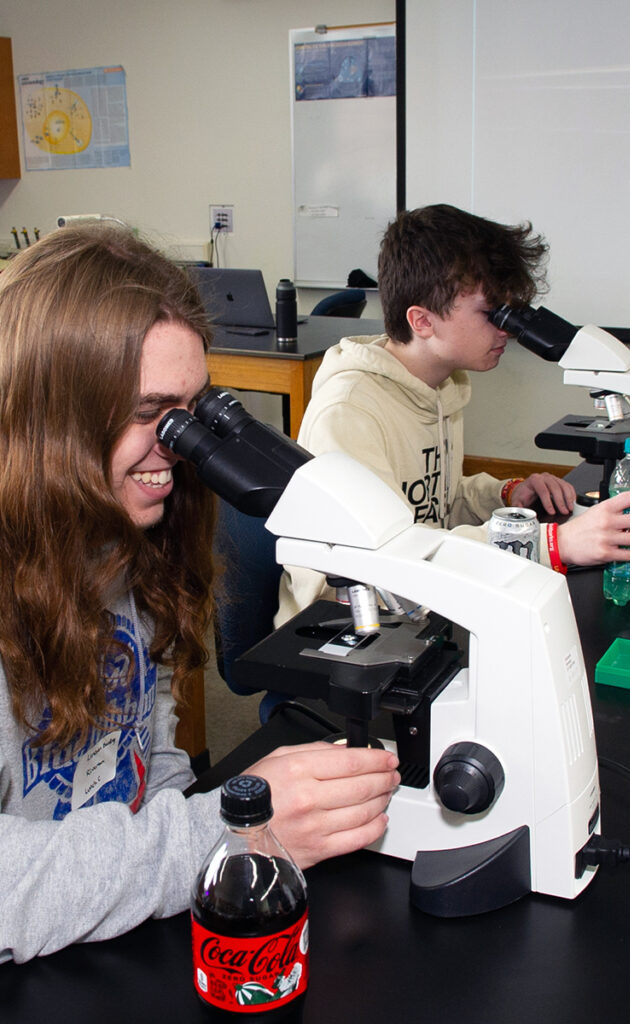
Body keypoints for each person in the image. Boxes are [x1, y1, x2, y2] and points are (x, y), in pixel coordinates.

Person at [0, 225, 400, 964]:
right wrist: (227, 831)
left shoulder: (127, 542)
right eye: (149, 413)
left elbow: (143, 757)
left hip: (106, 935)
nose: (178, 448)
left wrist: (221, 840)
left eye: (191, 411)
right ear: (50, 414)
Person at [276, 204, 630, 625]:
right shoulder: (349, 413)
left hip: (425, 613)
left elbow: (434, 504)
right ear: (422, 321)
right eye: (492, 313)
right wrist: (549, 543)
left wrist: (506, 497)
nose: (508, 330)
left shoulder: (439, 387)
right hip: (344, 636)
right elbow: (379, 570)